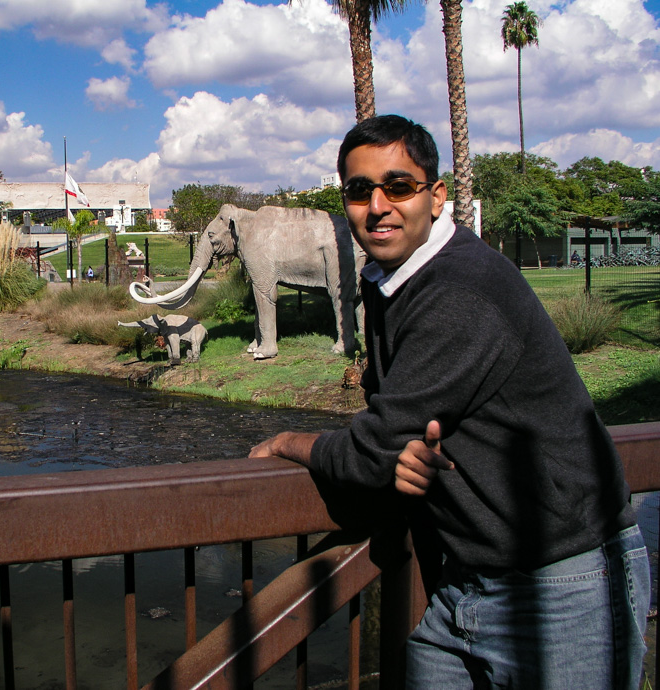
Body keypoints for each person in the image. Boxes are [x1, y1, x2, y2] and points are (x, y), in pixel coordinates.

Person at [249, 114, 648, 689]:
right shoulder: (390, 278)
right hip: (462, 583)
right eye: (360, 191)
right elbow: (399, 431)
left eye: (399, 186)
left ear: (435, 197)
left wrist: (289, 442)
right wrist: (398, 451)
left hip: (563, 583)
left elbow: (374, 448)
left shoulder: (457, 289)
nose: (378, 205)